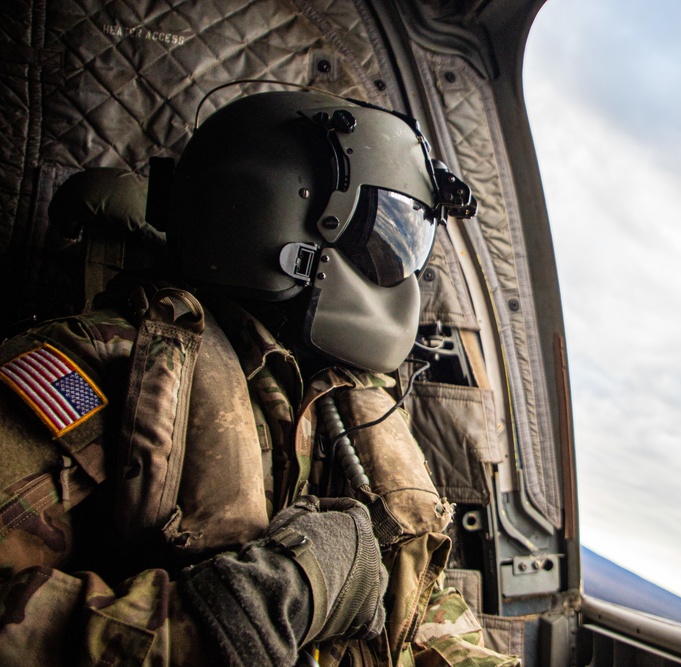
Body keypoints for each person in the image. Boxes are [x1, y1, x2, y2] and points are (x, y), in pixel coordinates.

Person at [0, 90, 515, 666]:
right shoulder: (106, 365)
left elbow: (423, 616)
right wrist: (232, 619)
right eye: (383, 236)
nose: (400, 274)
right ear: (273, 206)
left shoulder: (339, 399)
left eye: (405, 244)